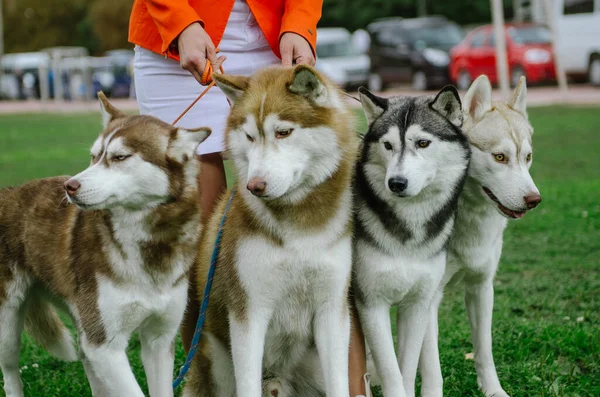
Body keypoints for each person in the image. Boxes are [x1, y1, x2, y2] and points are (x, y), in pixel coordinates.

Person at [128, 1, 368, 395]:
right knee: (195, 236)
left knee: (326, 240)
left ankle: (352, 390)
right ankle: (209, 384)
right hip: (176, 41)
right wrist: (181, 23)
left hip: (273, 36)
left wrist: (300, 25)